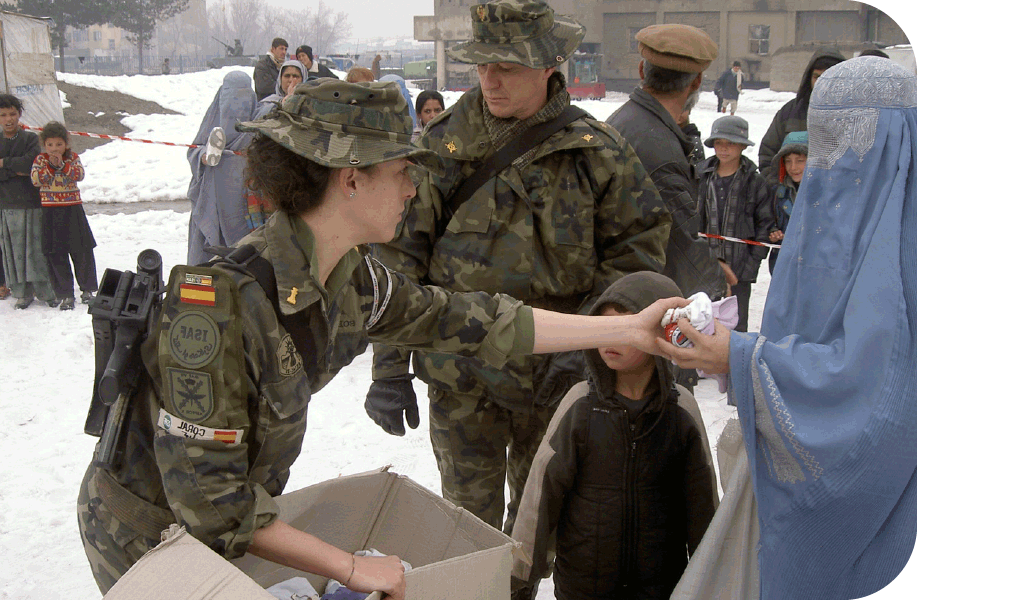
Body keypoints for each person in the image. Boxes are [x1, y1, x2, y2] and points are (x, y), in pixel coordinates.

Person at [76, 78, 687, 598]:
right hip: (146, 534)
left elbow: (479, 320)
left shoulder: (351, 278)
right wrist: (351, 566)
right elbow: (214, 507)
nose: (413, 188)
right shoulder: (213, 310)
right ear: (350, 179)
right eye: (400, 171)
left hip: (229, 521)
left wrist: (628, 327)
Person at [364, 0, 671, 571]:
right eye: (482, 65)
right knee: (465, 526)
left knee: (538, 528)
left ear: (550, 64)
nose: (491, 80)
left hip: (556, 374)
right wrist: (388, 365)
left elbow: (636, 253)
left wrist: (590, 341)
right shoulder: (440, 146)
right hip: (462, 372)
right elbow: (395, 259)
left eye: (507, 66)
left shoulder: (597, 152)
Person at [661, 56, 917, 600]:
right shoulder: (837, 214)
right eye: (819, 145)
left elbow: (878, 404)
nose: (829, 166)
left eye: (848, 143)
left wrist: (741, 358)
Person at [511, 271, 718, 600]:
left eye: (625, 327)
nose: (610, 339)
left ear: (663, 332)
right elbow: (540, 501)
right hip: (583, 589)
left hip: (662, 588)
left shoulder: (682, 412)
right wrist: (519, 579)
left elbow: (704, 512)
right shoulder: (580, 406)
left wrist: (714, 584)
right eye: (606, 327)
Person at [605, 23, 732, 393]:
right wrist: (714, 291)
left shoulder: (627, 121)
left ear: (642, 71)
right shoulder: (656, 144)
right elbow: (682, 240)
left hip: (621, 297)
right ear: (696, 83)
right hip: (647, 305)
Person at [696, 116, 772, 333]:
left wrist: (747, 270)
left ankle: (733, 367)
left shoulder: (755, 183)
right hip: (705, 268)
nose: (724, 148)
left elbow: (764, 228)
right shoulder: (700, 177)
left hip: (739, 272)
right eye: (719, 142)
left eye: (730, 143)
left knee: (735, 328)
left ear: (742, 146)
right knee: (701, 324)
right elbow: (691, 222)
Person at [186, 71, 268, 265]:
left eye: (243, 94)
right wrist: (205, 157)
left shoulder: (259, 123)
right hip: (213, 199)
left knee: (244, 252)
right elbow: (193, 150)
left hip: (246, 202)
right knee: (208, 258)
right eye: (232, 94)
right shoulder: (213, 121)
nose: (237, 102)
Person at [29, 121, 97, 310]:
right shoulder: (41, 160)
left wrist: (64, 166)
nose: (54, 149)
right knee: (55, 252)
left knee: (82, 249)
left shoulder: (73, 158)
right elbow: (36, 180)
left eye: (59, 144)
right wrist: (51, 166)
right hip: (51, 211)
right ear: (44, 144)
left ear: (66, 143)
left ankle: (88, 289)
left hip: (72, 209)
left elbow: (79, 175)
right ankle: (65, 293)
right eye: (50, 145)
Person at [0, 93, 57, 310]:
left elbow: (29, 165)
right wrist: (13, 169)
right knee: (13, 251)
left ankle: (45, 292)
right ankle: (22, 293)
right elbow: (20, 167)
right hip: (5, 205)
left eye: (12, 114)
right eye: (3, 115)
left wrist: (4, 163)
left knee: (35, 250)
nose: (8, 119)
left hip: (31, 203)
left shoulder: (30, 139)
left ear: (19, 114)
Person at [757, 48, 844, 173]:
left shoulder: (856, 115)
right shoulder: (790, 112)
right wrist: (777, 186)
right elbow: (767, 154)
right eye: (817, 77)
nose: (822, 83)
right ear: (809, 78)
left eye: (829, 77)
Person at [765, 131, 807, 275]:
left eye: (800, 160)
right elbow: (766, 219)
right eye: (788, 161)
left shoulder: (826, 194)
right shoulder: (778, 193)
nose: (793, 167)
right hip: (784, 265)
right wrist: (772, 231)